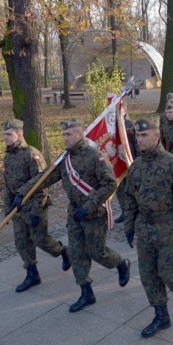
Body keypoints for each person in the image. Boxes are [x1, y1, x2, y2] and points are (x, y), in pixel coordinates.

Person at [16, 119, 131, 313]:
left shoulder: (95, 156)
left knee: (98, 252)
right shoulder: (64, 159)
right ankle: (86, 293)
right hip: (74, 215)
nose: (65, 138)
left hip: (94, 214)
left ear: (80, 135)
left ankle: (120, 263)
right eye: (63, 135)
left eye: (69, 134)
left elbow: (110, 184)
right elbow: (45, 177)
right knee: (77, 254)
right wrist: (23, 192)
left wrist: (88, 207)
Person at [122, 115, 173, 338]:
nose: (139, 139)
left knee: (169, 275)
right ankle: (161, 316)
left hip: (169, 227)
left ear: (157, 136)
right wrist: (129, 226)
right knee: (147, 275)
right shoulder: (136, 166)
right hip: (144, 228)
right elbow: (129, 198)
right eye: (137, 135)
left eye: (144, 135)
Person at [1, 119, 69, 293]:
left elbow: (42, 184)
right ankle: (32, 274)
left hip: (34, 206)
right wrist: (7, 207)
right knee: (21, 242)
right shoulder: (8, 156)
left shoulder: (31, 154)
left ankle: (63, 251)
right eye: (4, 134)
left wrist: (36, 211)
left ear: (19, 134)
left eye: (9, 134)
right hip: (17, 208)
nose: (5, 138)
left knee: (40, 239)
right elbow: (8, 184)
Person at [114, 101, 138, 224]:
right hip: (118, 162)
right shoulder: (113, 126)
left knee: (132, 189)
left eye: (120, 110)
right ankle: (124, 211)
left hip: (131, 162)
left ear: (125, 110)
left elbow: (138, 144)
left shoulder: (131, 125)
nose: (118, 113)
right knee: (120, 188)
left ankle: (134, 212)